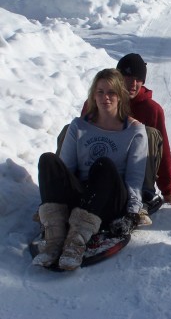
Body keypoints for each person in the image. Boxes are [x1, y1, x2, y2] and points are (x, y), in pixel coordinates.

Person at [33, 68, 148, 270]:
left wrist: (132, 213)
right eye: (100, 92)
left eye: (112, 92)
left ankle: (75, 243)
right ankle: (55, 237)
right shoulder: (78, 125)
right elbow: (66, 168)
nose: (106, 98)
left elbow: (134, 178)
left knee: (103, 165)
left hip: (111, 198)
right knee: (48, 160)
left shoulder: (134, 130)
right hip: (85, 195)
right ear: (93, 96)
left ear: (121, 96)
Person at [89, 53, 171, 205]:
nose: (133, 84)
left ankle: (143, 194)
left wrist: (167, 190)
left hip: (137, 172)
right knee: (69, 129)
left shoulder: (151, 109)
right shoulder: (99, 101)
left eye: (138, 79)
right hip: (101, 165)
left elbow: (162, 148)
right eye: (128, 78)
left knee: (150, 134)